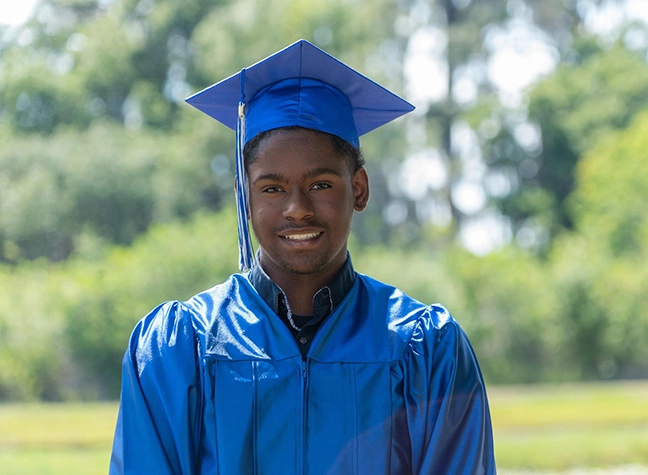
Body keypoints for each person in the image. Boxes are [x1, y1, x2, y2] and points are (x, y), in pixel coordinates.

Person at [110, 39, 496, 474]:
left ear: (360, 189)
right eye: (272, 188)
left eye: (321, 184)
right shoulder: (181, 347)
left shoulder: (426, 349)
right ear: (244, 197)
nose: (297, 208)